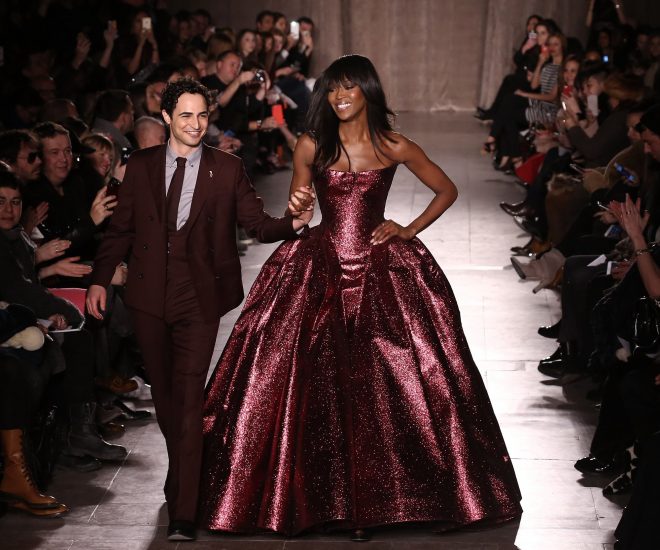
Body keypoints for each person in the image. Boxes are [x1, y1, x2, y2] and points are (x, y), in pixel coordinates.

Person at [198, 54, 522, 541]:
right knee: (315, 384)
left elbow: (447, 189)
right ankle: (320, 500)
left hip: (382, 271)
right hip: (320, 266)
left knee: (393, 381)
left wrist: (407, 229)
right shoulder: (311, 144)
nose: (339, 97)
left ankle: (393, 499)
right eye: (332, 89)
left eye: (348, 87)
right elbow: (299, 212)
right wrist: (297, 208)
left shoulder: (393, 144)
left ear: (367, 91)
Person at [85, 77, 314, 542]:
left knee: (189, 398)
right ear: (167, 117)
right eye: (186, 115)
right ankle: (185, 475)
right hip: (148, 295)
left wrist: (293, 222)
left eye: (202, 115)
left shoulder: (226, 169)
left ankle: (183, 510)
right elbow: (120, 230)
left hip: (200, 295)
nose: (195, 124)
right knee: (168, 400)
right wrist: (98, 279)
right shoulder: (141, 165)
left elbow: (257, 223)